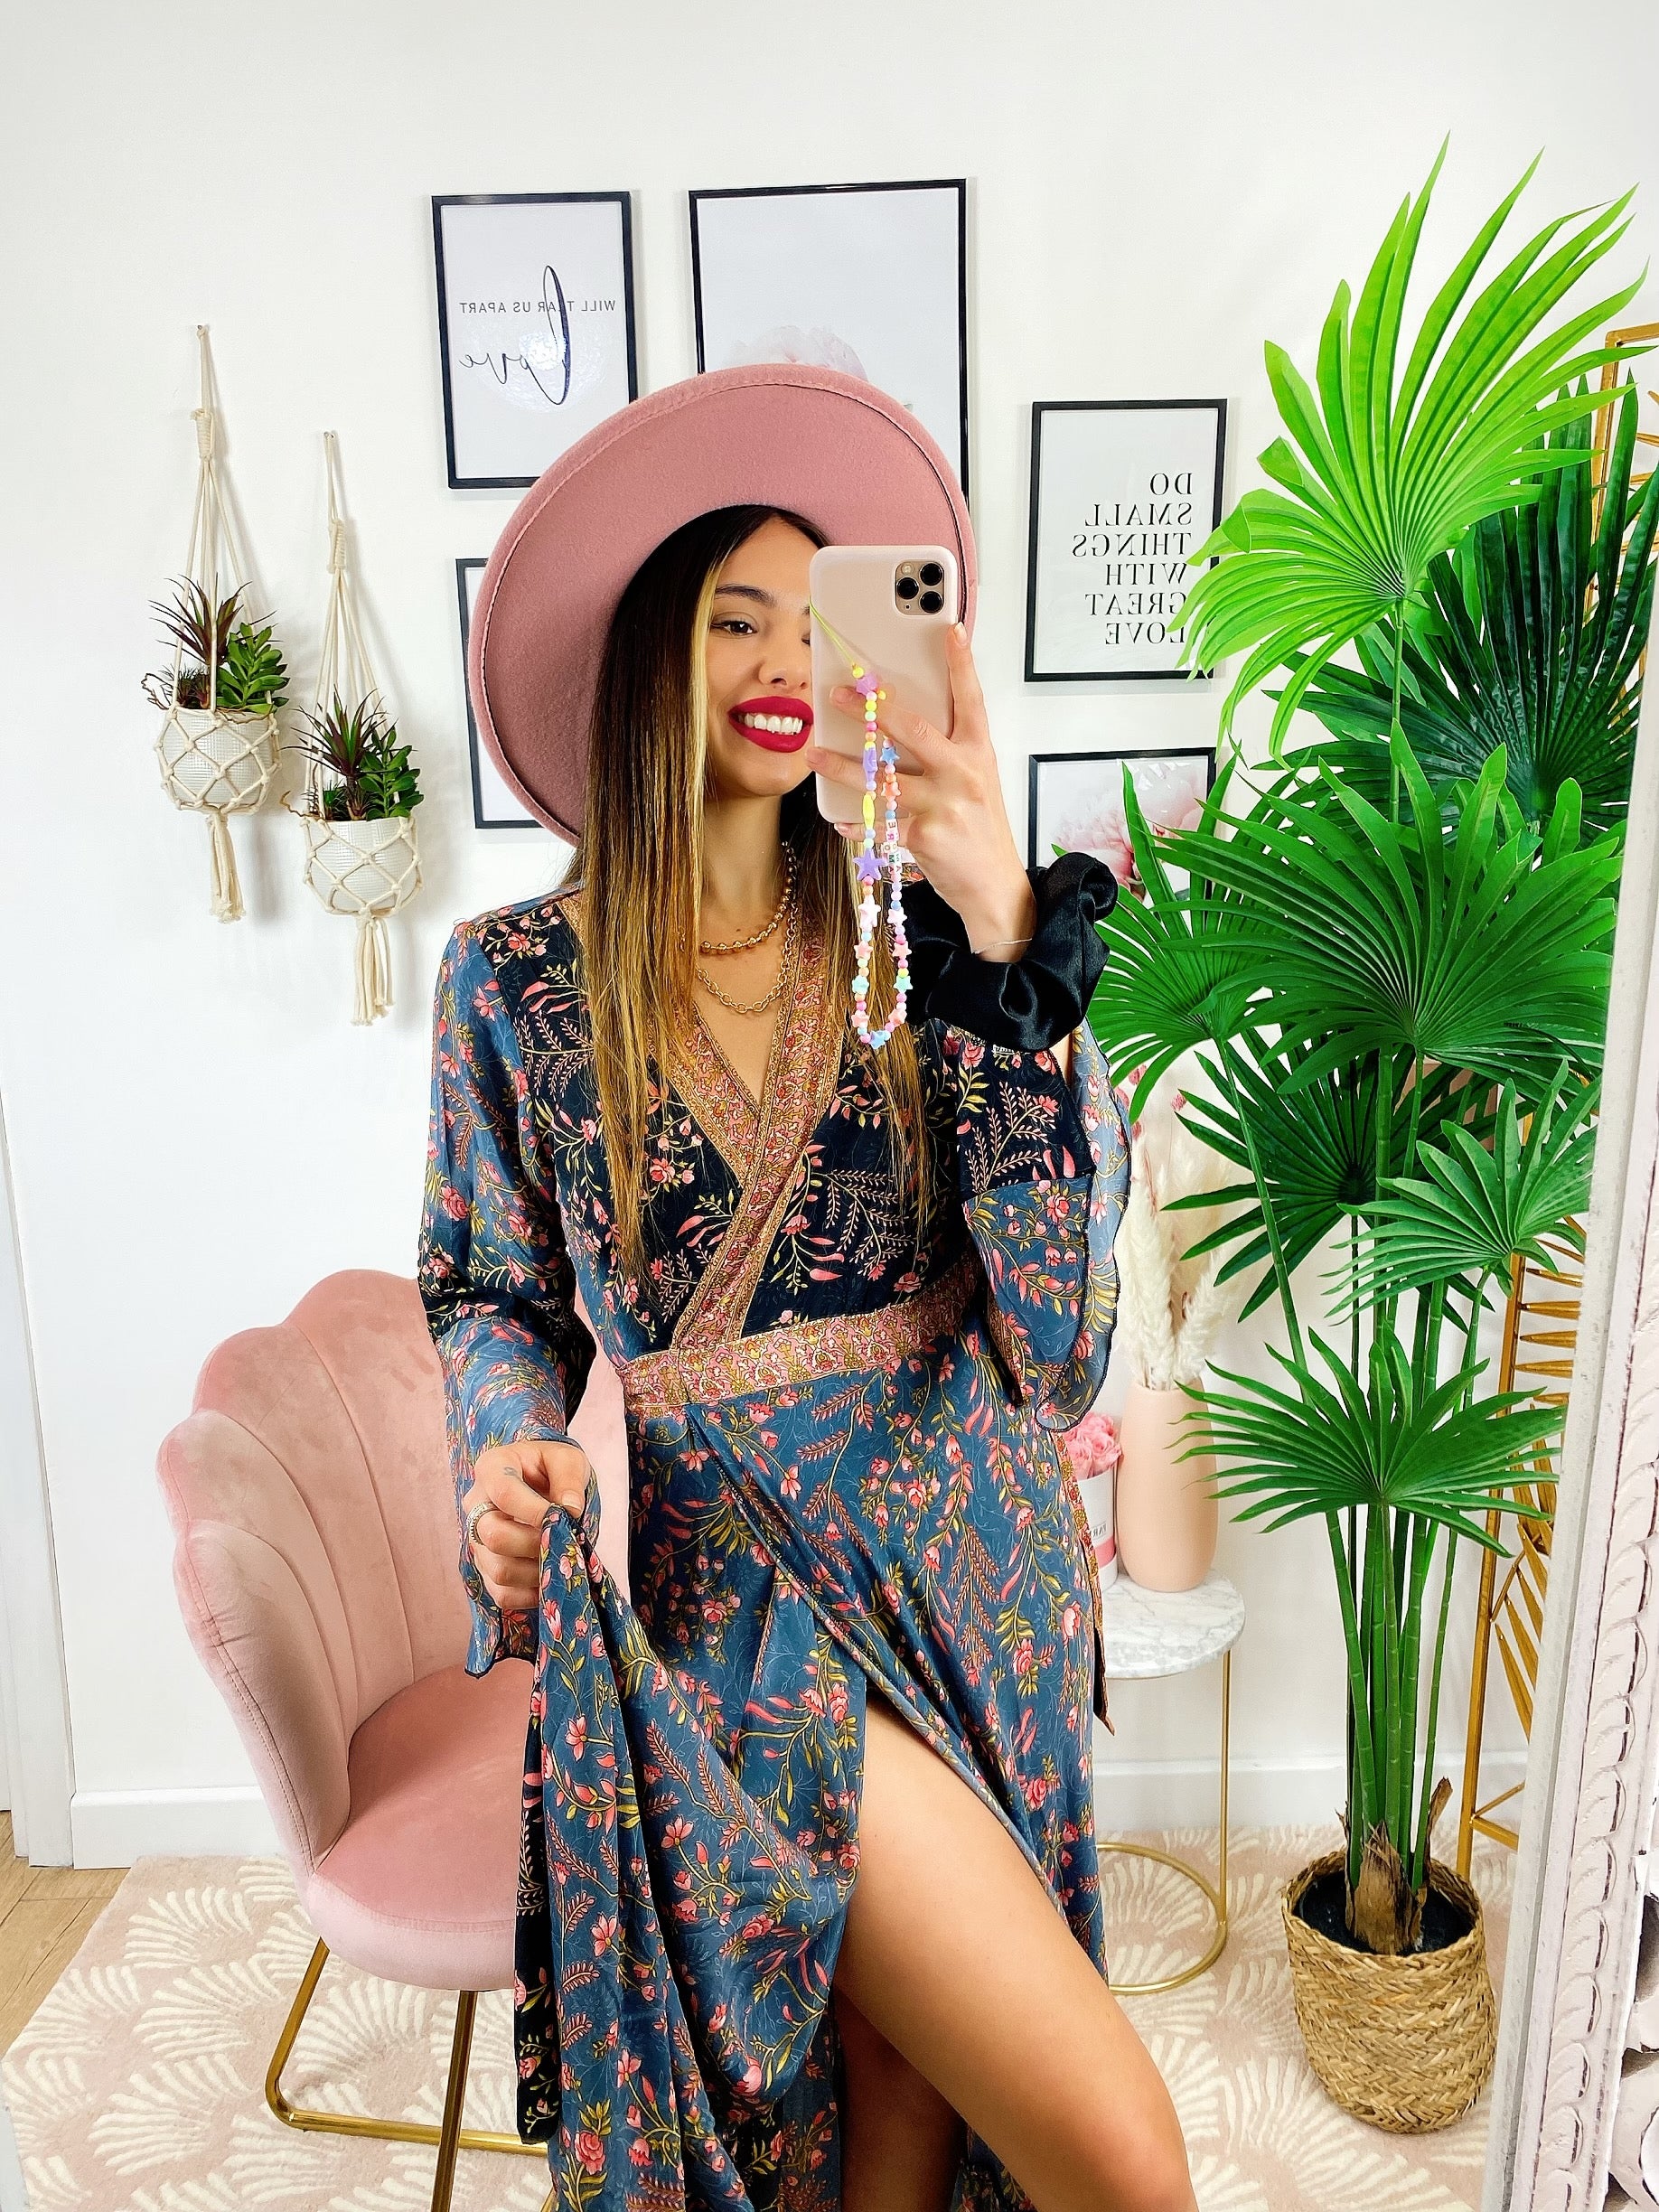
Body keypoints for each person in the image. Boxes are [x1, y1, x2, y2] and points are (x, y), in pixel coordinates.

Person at [417, 365, 1196, 2212]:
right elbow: (487, 1293)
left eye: (809, 615)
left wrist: (1004, 940)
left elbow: (1058, 1345)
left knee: (909, 2089)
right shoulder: (511, 981)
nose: (781, 656)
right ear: (646, 653)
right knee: (1118, 2159)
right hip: (736, 1620)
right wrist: (508, 1448)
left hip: (975, 1578)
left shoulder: (923, 942)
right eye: (730, 615)